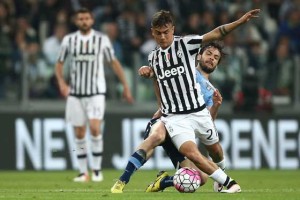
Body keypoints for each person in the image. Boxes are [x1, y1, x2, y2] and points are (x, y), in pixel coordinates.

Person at [111, 8, 260, 193]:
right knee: (179, 147)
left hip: (198, 113)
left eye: (166, 32)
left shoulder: (187, 45)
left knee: (210, 161)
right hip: (174, 117)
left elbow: (217, 32)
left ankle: (173, 181)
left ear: (173, 30)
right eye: (158, 33)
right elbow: (158, 83)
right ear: (152, 32)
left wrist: (239, 22)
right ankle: (231, 184)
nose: (162, 37)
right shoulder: (154, 57)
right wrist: (160, 101)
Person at [55, 8, 134, 182]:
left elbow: (114, 63)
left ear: (92, 20)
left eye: (87, 18)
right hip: (75, 93)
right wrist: (61, 82)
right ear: (76, 21)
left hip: (96, 92)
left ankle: (97, 170)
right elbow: (59, 64)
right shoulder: (69, 40)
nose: (84, 21)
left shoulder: (101, 39)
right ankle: (83, 173)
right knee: (80, 132)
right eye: (80, 18)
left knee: (95, 128)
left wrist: (126, 86)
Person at [144, 42, 225, 192]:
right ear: (199, 55)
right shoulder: (185, 71)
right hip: (168, 124)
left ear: (217, 64)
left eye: (216, 57)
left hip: (182, 132)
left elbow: (206, 122)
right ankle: (125, 178)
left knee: (202, 177)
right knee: (198, 175)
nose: (211, 59)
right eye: (209, 54)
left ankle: (164, 182)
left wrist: (215, 106)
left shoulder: (212, 92)